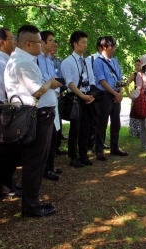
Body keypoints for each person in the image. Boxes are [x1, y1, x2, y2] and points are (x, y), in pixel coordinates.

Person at [4, 24, 62, 216]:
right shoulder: (23, 63)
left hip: (38, 115)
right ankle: (31, 206)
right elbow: (36, 91)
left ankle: (33, 201)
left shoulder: (24, 60)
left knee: (36, 161)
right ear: (28, 44)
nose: (42, 45)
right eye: (39, 42)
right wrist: (51, 83)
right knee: (34, 162)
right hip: (35, 116)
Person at [0, 27, 22, 198]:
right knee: (6, 151)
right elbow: (2, 94)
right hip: (4, 114)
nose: (14, 41)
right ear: (2, 42)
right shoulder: (0, 63)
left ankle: (10, 182)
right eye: (11, 38)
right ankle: (5, 187)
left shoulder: (6, 61)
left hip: (9, 113)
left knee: (12, 150)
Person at [61, 31, 96, 167]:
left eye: (86, 42)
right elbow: (69, 83)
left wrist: (91, 95)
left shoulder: (87, 61)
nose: (85, 45)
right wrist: (82, 95)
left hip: (87, 97)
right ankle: (73, 156)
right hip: (75, 97)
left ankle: (83, 155)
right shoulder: (67, 62)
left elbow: (91, 79)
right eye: (83, 42)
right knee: (75, 128)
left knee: (86, 128)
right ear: (75, 44)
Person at [93, 36, 128, 161]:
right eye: (112, 46)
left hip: (116, 94)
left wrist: (120, 92)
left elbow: (120, 78)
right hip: (105, 95)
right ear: (104, 47)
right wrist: (114, 93)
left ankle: (114, 147)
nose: (114, 48)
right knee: (102, 123)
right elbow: (101, 81)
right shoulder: (97, 61)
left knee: (116, 122)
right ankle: (99, 150)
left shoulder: (115, 61)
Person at [37, 30, 63, 180]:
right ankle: (46, 169)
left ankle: (50, 166)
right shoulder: (37, 60)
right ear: (43, 42)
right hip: (43, 104)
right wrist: (52, 85)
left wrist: (57, 88)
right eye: (51, 40)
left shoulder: (48, 59)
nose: (54, 43)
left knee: (54, 136)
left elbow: (53, 79)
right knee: (47, 137)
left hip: (53, 100)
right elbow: (42, 81)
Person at [50, 40, 68, 153]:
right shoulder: (42, 59)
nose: (55, 48)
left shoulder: (58, 61)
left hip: (58, 92)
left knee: (58, 120)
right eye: (53, 45)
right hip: (49, 93)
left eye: (56, 46)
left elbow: (61, 77)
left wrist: (60, 89)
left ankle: (57, 146)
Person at [124, 59, 142, 138]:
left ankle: (142, 132)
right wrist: (129, 95)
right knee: (134, 114)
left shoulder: (145, 74)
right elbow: (125, 85)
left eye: (139, 65)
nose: (137, 67)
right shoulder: (134, 75)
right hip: (136, 97)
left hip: (144, 97)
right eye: (136, 65)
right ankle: (134, 132)